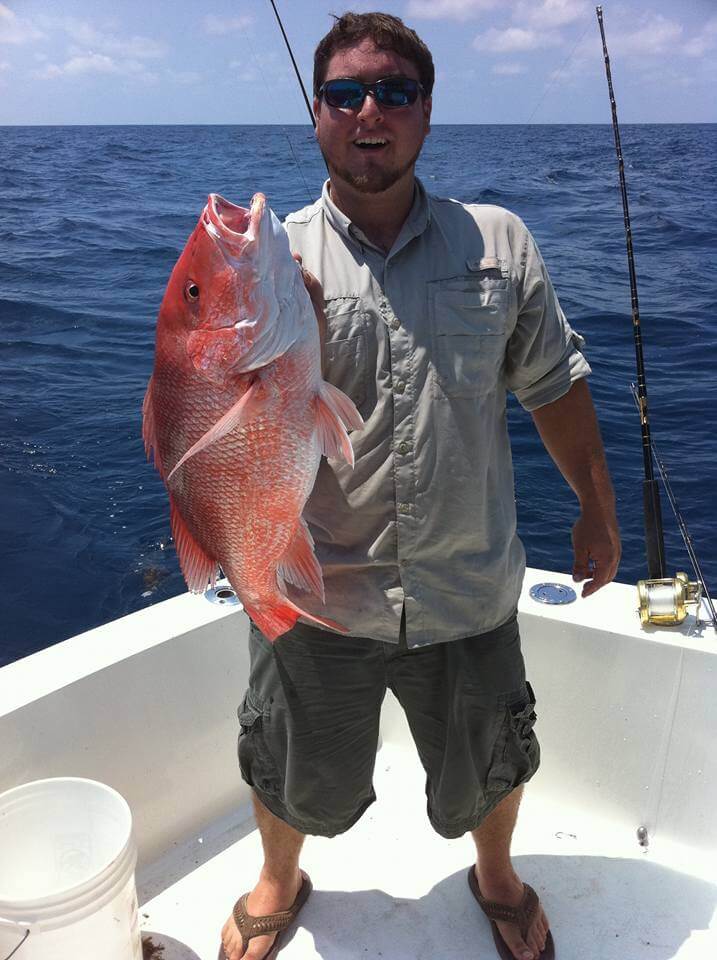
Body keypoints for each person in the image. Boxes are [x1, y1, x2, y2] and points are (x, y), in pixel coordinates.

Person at [220, 11, 621, 960]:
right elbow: (207, 413)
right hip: (316, 598)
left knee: (490, 762)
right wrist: (269, 341)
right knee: (290, 769)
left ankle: (495, 873)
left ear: (426, 112)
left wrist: (596, 506)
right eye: (345, 92)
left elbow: (553, 383)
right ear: (315, 113)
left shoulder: (499, 242)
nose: (370, 110)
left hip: (468, 588)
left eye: (393, 92)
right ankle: (279, 874)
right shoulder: (266, 261)